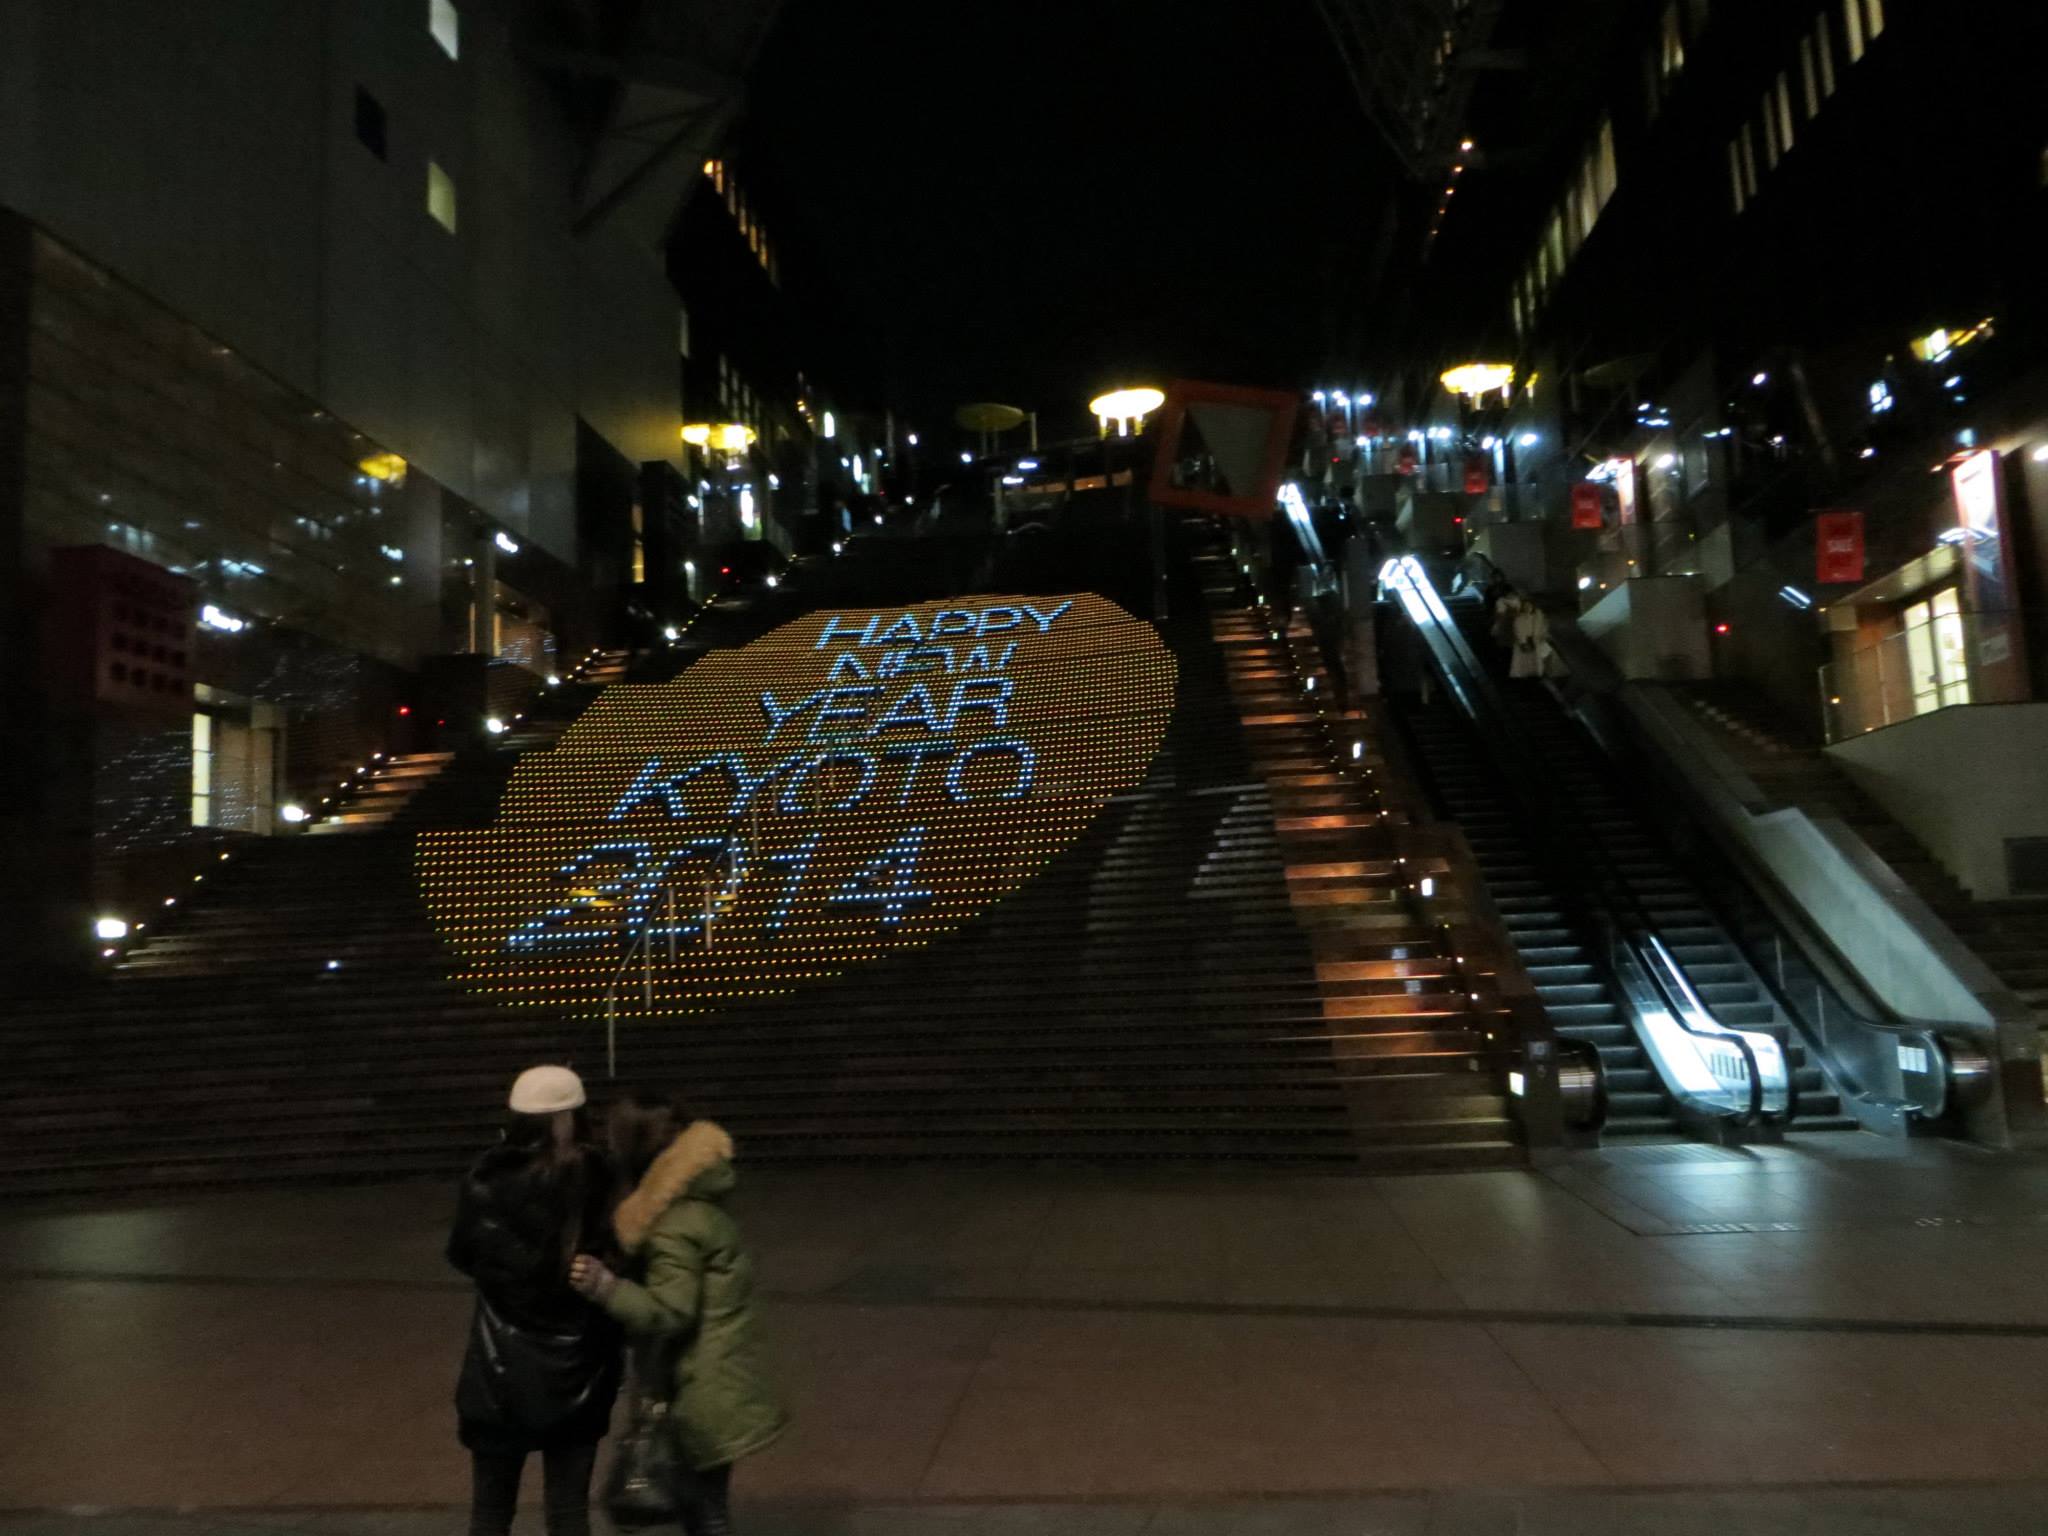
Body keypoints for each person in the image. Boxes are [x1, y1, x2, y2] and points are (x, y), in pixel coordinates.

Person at [571, 1095, 786, 1536]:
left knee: (705, 1512)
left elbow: (671, 1311)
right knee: (703, 1507)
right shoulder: (697, 1204)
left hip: (697, 1389)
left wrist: (606, 1287)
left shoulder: (674, 1224)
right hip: (715, 1379)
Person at [449, 1065, 623, 1536]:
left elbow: (463, 1254)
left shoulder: (487, 1179)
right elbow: (625, 1254)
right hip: (579, 1368)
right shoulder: (599, 1177)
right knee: (568, 1509)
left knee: (490, 1509)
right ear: (573, 1116)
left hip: (498, 1370)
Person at [1510, 601, 1559, 680]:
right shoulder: (1519, 618)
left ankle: (1545, 676)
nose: (1528, 607)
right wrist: (1523, 642)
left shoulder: (1536, 617)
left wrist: (1544, 635)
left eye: (1529, 605)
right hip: (1528, 642)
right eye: (1525, 606)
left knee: (1545, 659)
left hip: (1539, 641)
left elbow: (1543, 627)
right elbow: (1518, 630)